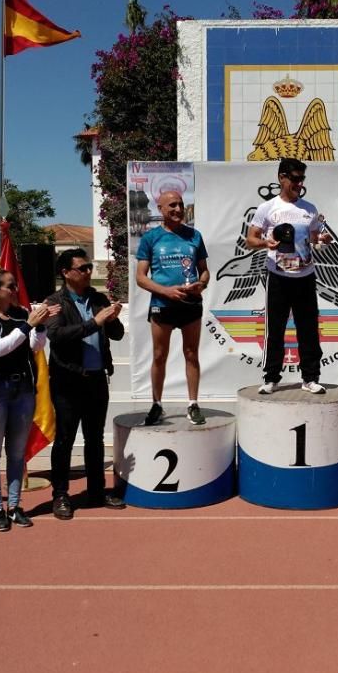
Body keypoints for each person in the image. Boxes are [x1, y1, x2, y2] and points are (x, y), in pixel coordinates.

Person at [0, 269, 60, 532]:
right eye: (10, 286)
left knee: (17, 455)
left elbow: (35, 347)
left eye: (15, 285)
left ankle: (16, 506)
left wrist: (40, 325)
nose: (15, 289)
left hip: (22, 392)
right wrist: (29, 324)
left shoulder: (21, 313)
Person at [45, 248, 125, 520]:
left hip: (96, 379)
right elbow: (57, 336)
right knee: (65, 439)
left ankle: (96, 490)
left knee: (95, 439)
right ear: (66, 273)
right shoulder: (55, 301)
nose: (89, 272)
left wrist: (112, 319)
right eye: (83, 268)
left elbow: (117, 334)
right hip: (68, 381)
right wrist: (94, 322)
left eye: (90, 266)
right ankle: (61, 494)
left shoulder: (98, 298)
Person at [246, 158, 333, 394]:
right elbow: (250, 239)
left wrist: (323, 241)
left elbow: (316, 239)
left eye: (302, 178)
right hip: (278, 276)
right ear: (281, 178)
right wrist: (266, 243)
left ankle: (310, 378)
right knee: (275, 328)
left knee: (308, 329)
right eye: (294, 178)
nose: (299, 183)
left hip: (305, 275)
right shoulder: (267, 208)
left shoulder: (310, 209)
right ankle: (271, 377)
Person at [135, 190, 211, 426]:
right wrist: (165, 291)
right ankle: (157, 404)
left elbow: (204, 270)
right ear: (160, 209)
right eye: (172, 206)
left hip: (190, 304)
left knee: (191, 354)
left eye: (180, 204)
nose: (178, 209)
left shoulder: (194, 236)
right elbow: (140, 277)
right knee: (159, 355)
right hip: (162, 305)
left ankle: (193, 404)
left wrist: (203, 284)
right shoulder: (150, 238)